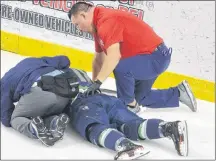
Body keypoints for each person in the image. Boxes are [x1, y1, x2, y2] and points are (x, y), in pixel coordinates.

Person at [67, 1, 197, 113]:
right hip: (148, 57)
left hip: (153, 58)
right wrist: (93, 85)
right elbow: (98, 59)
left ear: (83, 15)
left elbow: (114, 56)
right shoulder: (97, 25)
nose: (78, 28)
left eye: (77, 24)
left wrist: (98, 83)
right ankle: (179, 93)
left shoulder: (105, 21)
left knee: (118, 66)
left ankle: (129, 105)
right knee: (141, 97)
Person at [59, 67, 189, 160]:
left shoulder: (54, 83)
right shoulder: (81, 77)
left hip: (85, 104)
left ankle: (126, 145)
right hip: (108, 99)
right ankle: (167, 128)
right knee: (132, 125)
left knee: (94, 127)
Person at [1, 56, 72, 146]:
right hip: (66, 93)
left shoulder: (3, 84)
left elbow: (6, 118)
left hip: (40, 89)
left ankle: (33, 129)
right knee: (42, 110)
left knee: (15, 119)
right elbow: (64, 60)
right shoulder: (32, 61)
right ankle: (55, 121)